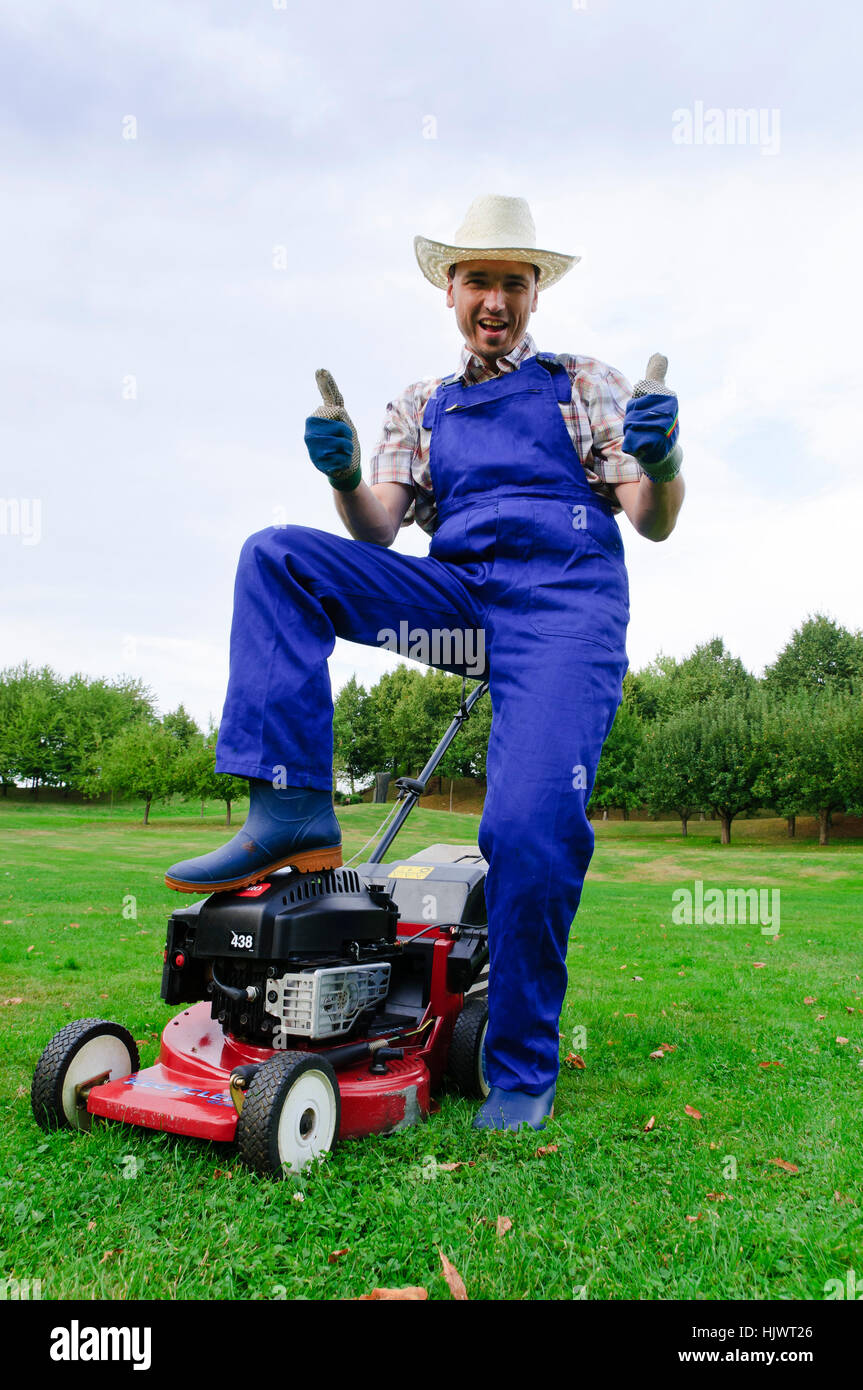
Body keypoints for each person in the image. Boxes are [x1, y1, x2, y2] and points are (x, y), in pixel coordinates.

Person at [165, 195, 685, 1132]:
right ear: (448, 290)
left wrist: (666, 456)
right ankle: (290, 810)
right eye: (478, 280)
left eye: (513, 283)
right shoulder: (423, 405)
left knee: (526, 829)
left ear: (534, 295)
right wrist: (340, 477)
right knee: (276, 556)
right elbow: (377, 525)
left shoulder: (582, 382)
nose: (495, 299)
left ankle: (521, 1062)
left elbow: (650, 516)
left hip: (564, 613)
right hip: (459, 605)